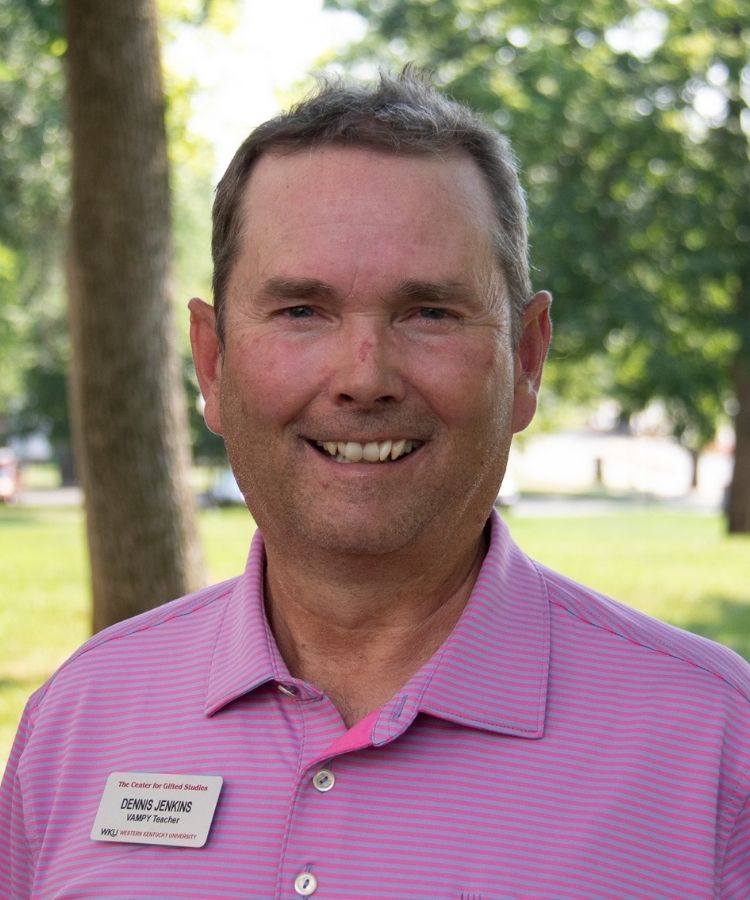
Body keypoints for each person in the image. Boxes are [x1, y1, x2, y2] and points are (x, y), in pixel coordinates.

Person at [1, 71, 748, 899]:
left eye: (428, 312)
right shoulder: (81, 722)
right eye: (300, 312)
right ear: (212, 364)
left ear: (527, 360)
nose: (365, 379)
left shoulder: (716, 748)